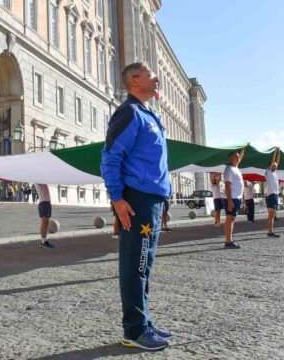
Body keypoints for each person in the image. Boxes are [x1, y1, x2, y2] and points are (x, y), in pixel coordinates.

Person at [100, 62, 172, 351]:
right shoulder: (128, 112)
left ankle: (143, 321)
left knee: (145, 264)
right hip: (136, 200)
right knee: (136, 264)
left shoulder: (147, 114)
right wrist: (117, 198)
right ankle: (134, 330)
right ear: (133, 80)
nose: (156, 79)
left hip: (151, 200)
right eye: (150, 74)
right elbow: (110, 157)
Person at [222, 147, 247, 249]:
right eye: (235, 157)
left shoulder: (235, 167)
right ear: (230, 159)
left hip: (236, 197)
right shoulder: (229, 169)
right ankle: (228, 241)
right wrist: (229, 201)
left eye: (238, 157)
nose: (238, 158)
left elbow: (240, 155)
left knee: (232, 219)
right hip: (232, 198)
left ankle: (229, 240)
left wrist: (243, 147)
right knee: (230, 219)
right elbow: (227, 185)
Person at [263, 148, 282, 237]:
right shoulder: (268, 172)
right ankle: (270, 232)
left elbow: (276, 161)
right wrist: (275, 152)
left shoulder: (274, 173)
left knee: (273, 214)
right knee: (271, 214)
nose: (275, 166)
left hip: (274, 195)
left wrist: (278, 153)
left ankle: (270, 231)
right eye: (273, 166)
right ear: (270, 166)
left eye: (275, 166)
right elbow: (273, 161)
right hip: (270, 195)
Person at [36, 183, 54, 248]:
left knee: (46, 223)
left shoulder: (44, 181)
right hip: (43, 203)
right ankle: (43, 242)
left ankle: (45, 240)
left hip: (47, 202)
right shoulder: (38, 180)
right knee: (44, 223)